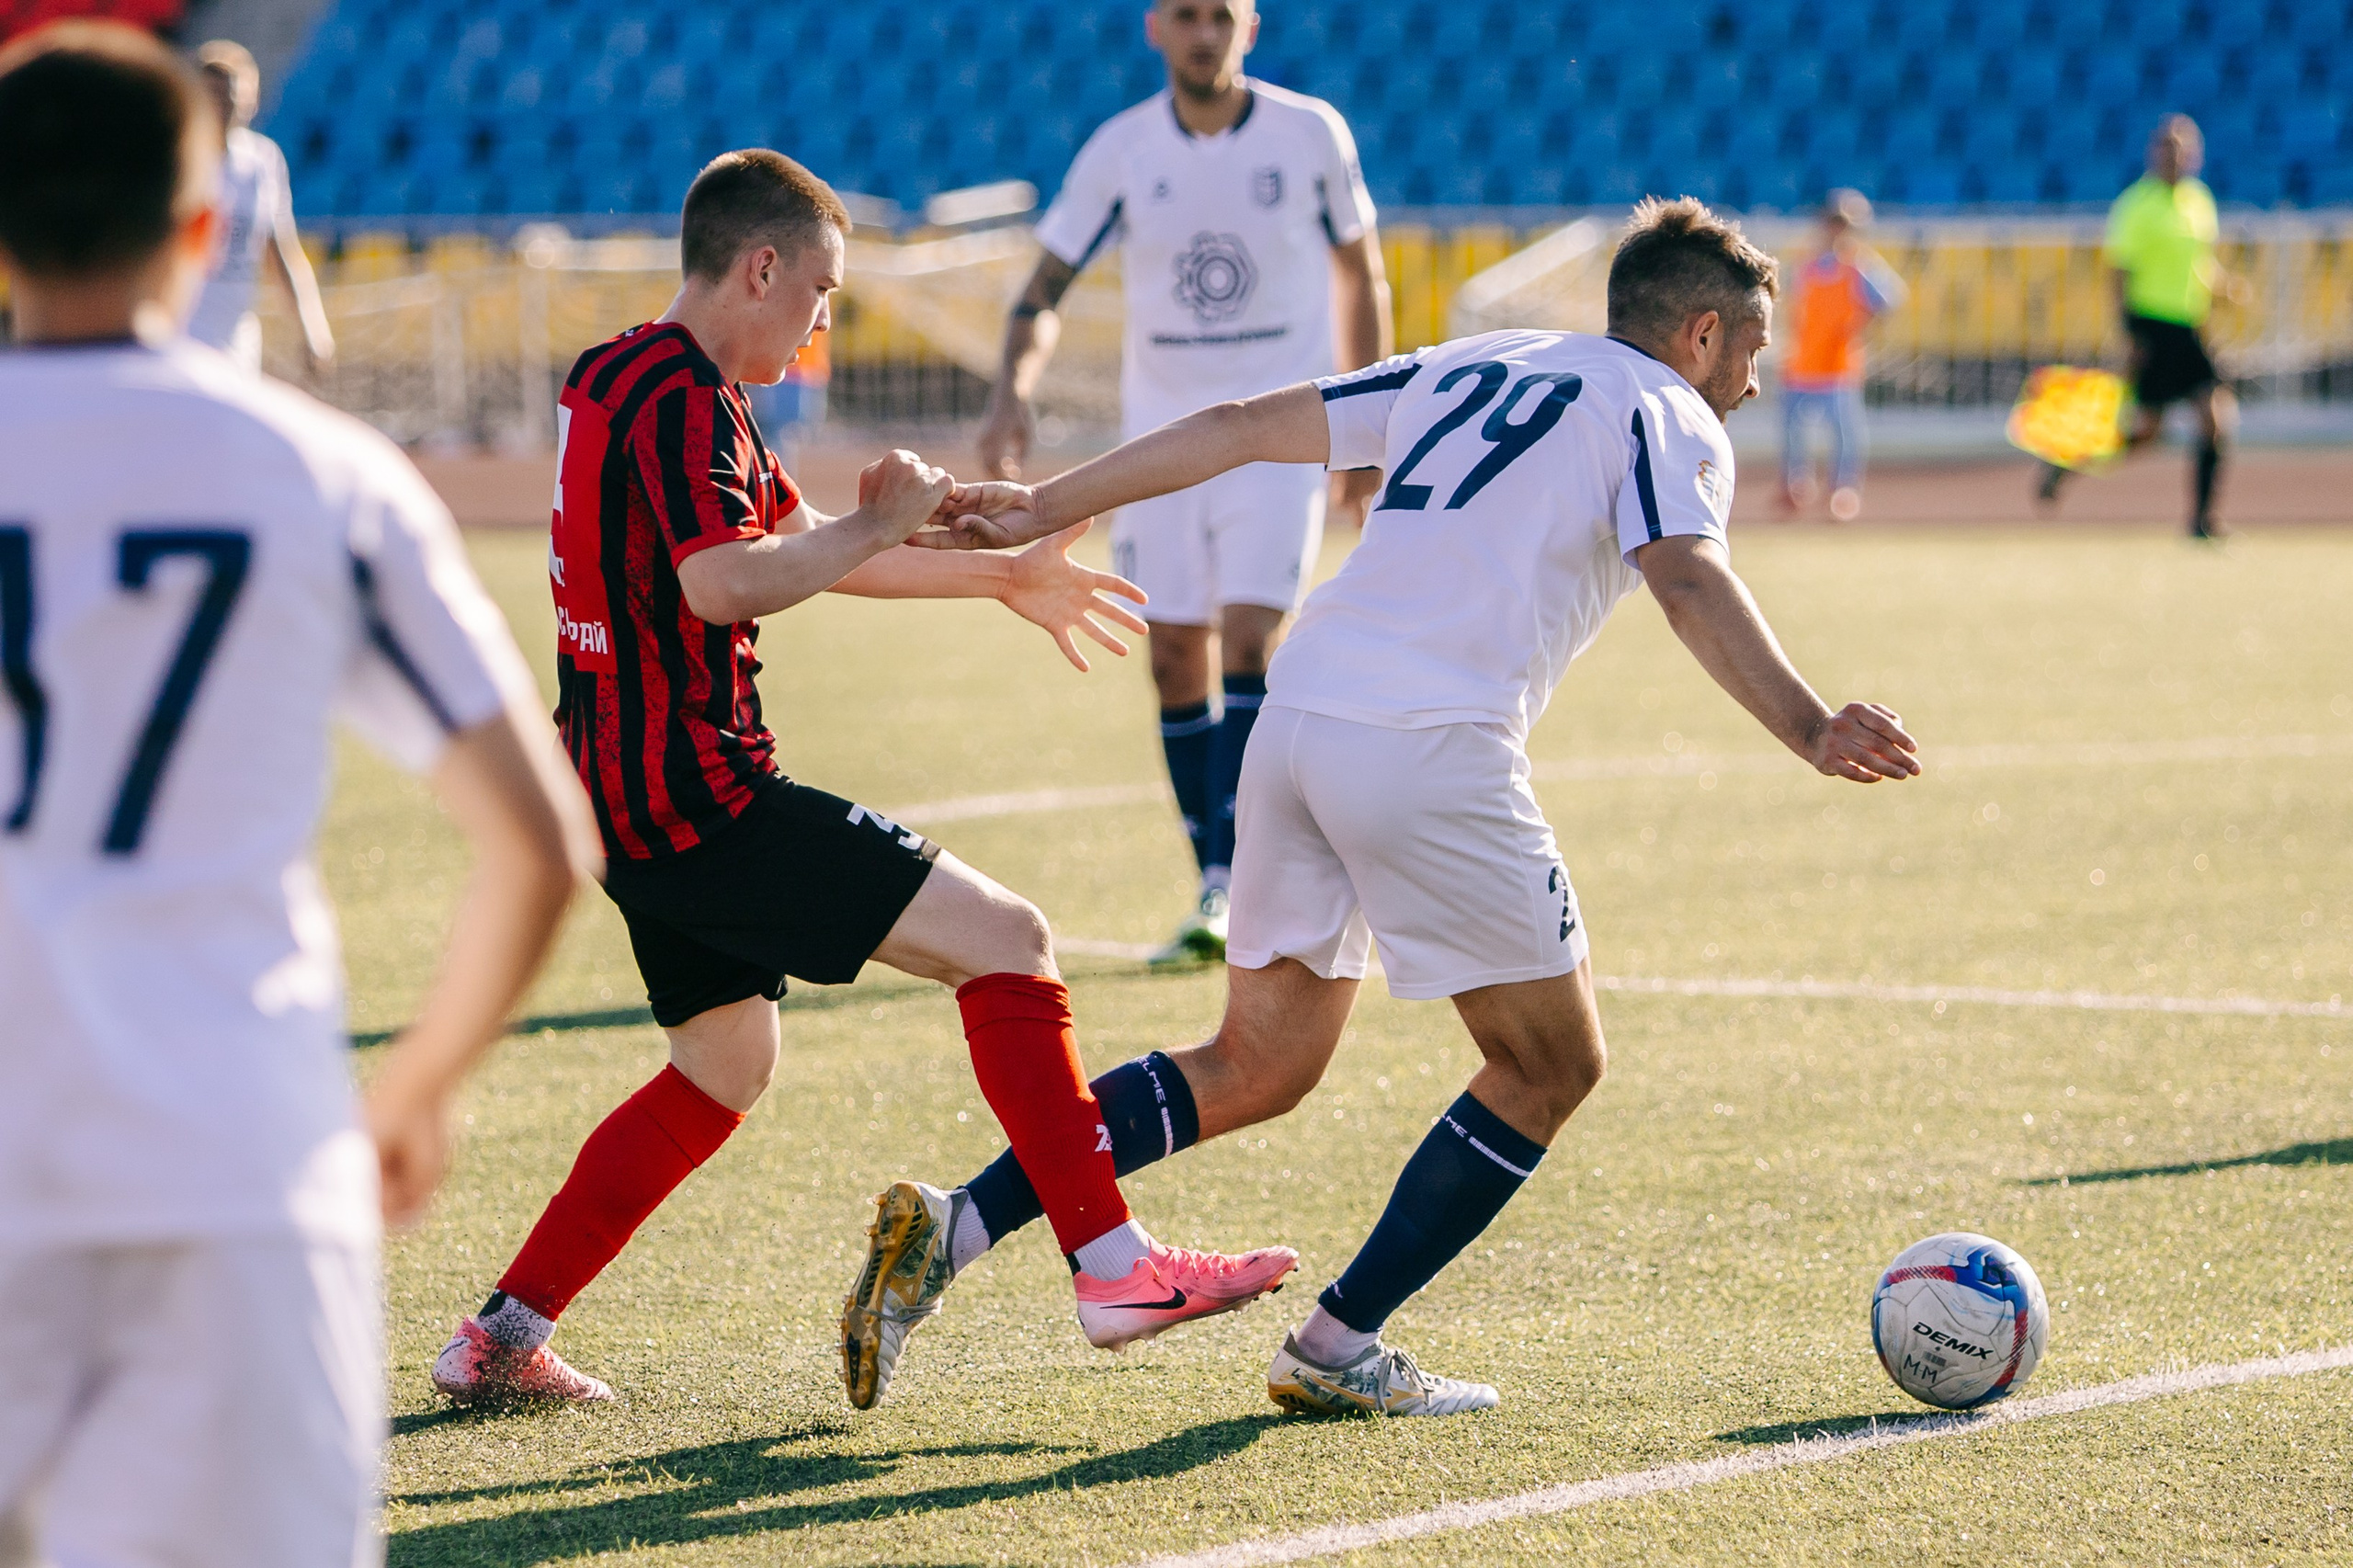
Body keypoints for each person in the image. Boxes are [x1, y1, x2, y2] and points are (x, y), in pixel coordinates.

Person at [888, 197, 1921, 1416]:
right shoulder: (1668, 410)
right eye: (1749, 351)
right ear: (1700, 334)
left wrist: (1042, 502)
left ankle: (954, 1228)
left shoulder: (1468, 362)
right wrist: (1809, 724)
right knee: (1550, 1062)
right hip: (1427, 743)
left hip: (1300, 713)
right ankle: (1337, 1343)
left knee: (1258, 1059)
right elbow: (1687, 574)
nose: (1752, 382)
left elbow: (1236, 423)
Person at [427, 149, 1299, 1415]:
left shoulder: (623, 373)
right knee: (1008, 939)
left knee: (724, 1061)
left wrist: (998, 572)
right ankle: (1112, 1264)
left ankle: (505, 1331)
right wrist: (879, 527)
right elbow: (724, 580)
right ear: (761, 266)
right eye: (822, 291)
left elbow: (805, 552)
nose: (827, 321)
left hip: (615, 792)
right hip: (698, 794)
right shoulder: (683, 395)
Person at [0, 22, 595, 1567]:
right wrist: (412, 1091)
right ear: (206, 228)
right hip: (236, 1162)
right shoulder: (315, 474)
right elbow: (537, 847)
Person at [976, 0, 1392, 967]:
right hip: (1158, 447)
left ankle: (1244, 876)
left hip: (1277, 437)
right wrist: (1009, 398)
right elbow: (1040, 291)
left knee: (1251, 633)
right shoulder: (1122, 151)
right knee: (1173, 655)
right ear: (1154, 28)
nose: (1204, 32)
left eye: (1221, 15)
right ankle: (1218, 876)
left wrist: (1366, 423)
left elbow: (1359, 271)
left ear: (1249, 27)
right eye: (1185, 15)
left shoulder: (1309, 133)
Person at [2038, 115, 2245, 539]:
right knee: (2157, 430)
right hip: (2152, 326)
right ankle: (2068, 460)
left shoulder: (2199, 201)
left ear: (2196, 154)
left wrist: (2222, 287)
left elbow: (2196, 263)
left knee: (2204, 422)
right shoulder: (2137, 205)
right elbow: (2119, 272)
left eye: (2182, 147)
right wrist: (2130, 333)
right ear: (2154, 152)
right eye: (2167, 147)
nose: (2174, 155)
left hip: (2188, 328)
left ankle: (2202, 521)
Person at [185, 40, 333, 375]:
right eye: (212, 95)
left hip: (236, 335)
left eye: (231, 95)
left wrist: (312, 326)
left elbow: (281, 250)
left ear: (249, 98)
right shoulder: (176, 159)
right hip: (181, 332)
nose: (223, 105)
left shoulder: (262, 160)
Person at [1778, 187, 1904, 521]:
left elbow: (1889, 299)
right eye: (1833, 223)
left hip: (1838, 364)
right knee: (1793, 433)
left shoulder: (1859, 266)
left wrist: (1860, 323)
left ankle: (1842, 492)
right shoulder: (1805, 263)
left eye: (1844, 225)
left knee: (1846, 434)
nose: (1837, 231)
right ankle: (1796, 486)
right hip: (1803, 361)